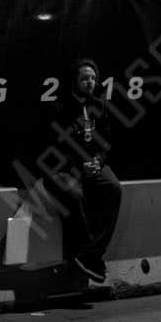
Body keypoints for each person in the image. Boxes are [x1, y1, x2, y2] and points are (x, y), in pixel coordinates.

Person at [52, 58, 122, 283]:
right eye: (84, 78)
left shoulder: (99, 105)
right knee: (75, 194)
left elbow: (106, 142)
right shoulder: (60, 107)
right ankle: (80, 252)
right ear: (75, 80)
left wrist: (99, 162)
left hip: (92, 163)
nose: (90, 82)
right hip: (65, 167)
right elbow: (53, 148)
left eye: (93, 78)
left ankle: (93, 253)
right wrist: (77, 165)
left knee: (113, 188)